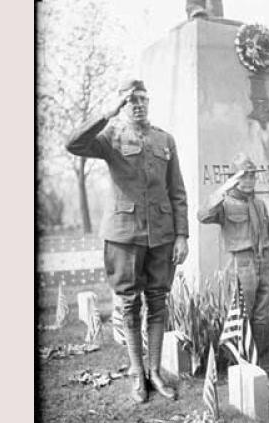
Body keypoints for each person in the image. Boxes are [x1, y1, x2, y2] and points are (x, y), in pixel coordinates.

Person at [65, 79, 189, 403]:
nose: (138, 104)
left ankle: (156, 372)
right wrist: (107, 114)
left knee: (159, 301)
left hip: (160, 236)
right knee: (130, 304)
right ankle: (137, 373)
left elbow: (177, 192)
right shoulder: (110, 137)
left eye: (142, 98)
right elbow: (74, 144)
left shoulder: (165, 139)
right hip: (125, 236)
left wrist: (182, 236)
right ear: (122, 105)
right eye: (130, 100)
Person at [197, 153, 269, 361]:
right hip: (242, 263)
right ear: (233, 178)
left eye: (251, 176)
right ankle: (240, 364)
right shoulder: (225, 204)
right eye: (243, 176)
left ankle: (258, 362)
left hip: (263, 261)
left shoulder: (259, 204)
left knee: (263, 315)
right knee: (242, 314)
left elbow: (268, 235)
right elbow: (203, 215)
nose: (249, 180)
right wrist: (223, 189)